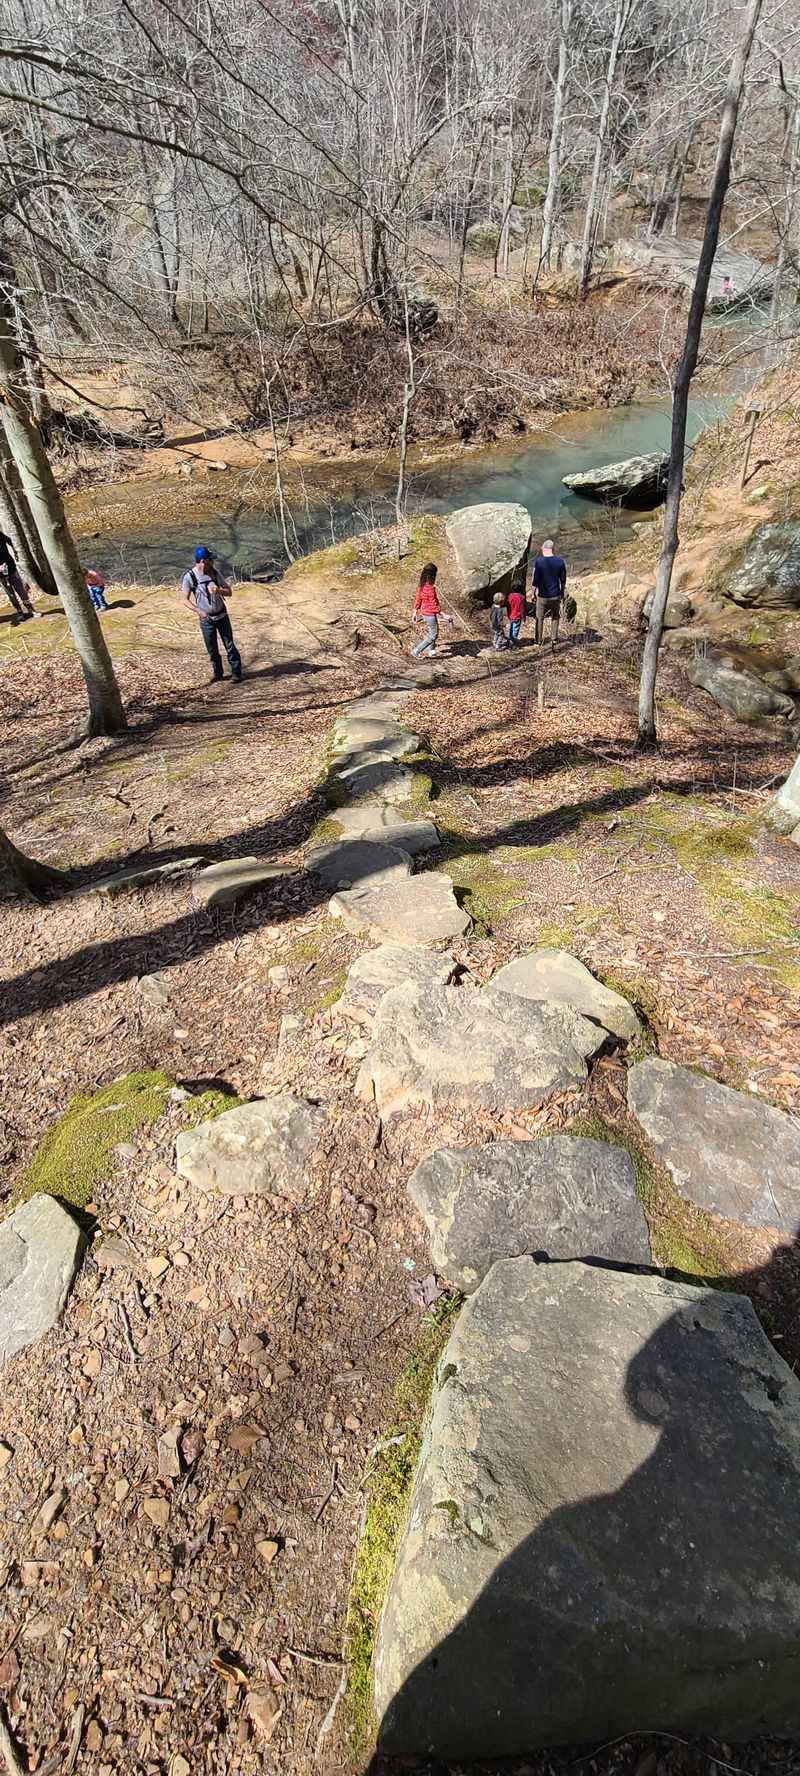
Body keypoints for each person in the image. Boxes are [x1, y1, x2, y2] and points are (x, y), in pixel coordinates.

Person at [181, 545, 242, 683]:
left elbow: (229, 592)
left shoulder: (215, 573)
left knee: (230, 645)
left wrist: (218, 591)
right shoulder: (189, 577)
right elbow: (184, 599)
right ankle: (218, 673)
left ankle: (236, 673)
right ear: (202, 561)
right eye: (210, 560)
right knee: (212, 648)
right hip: (206, 619)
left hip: (222, 616)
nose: (213, 562)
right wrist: (199, 611)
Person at [532, 537, 567, 650]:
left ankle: (538, 641)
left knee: (539, 617)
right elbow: (563, 579)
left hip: (542, 595)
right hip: (555, 594)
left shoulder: (539, 562)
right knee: (555, 617)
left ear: (544, 548)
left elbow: (535, 580)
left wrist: (533, 593)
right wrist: (562, 592)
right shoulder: (560, 562)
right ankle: (554, 639)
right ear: (553, 549)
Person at [411, 561, 449, 657]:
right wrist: (443, 614)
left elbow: (418, 598)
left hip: (424, 612)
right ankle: (416, 651)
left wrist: (415, 612)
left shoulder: (422, 585)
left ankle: (431, 650)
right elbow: (433, 604)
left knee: (431, 630)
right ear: (433, 575)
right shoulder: (430, 588)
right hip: (429, 614)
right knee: (433, 635)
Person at [0, 531, 39, 622]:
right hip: (1, 575)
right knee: (11, 594)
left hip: (11, 568)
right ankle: (19, 612)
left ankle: (31, 610)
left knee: (20, 590)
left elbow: (10, 541)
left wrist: (16, 552)